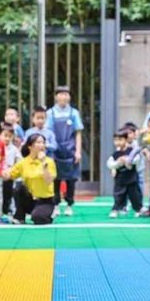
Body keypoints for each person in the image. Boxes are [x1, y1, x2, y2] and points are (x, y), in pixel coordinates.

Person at [2, 134, 57, 225]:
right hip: (30, 199)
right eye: (38, 142)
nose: (42, 145)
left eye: (43, 143)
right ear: (30, 146)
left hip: (45, 200)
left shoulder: (49, 162)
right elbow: (9, 175)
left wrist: (43, 162)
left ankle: (48, 214)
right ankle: (19, 216)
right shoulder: (24, 162)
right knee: (19, 188)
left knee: (38, 218)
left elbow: (48, 181)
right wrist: (0, 171)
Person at [46, 86, 84, 217]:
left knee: (71, 179)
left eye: (66, 94)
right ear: (56, 97)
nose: (64, 97)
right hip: (55, 150)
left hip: (70, 149)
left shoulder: (74, 112)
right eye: (61, 94)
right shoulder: (50, 113)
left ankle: (69, 204)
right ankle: (55, 204)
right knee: (55, 178)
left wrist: (78, 151)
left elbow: (78, 133)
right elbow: (48, 132)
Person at [107, 130, 145, 218]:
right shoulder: (115, 154)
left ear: (126, 139)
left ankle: (138, 209)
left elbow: (137, 159)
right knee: (118, 195)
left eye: (120, 140)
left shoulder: (132, 151)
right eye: (115, 140)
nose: (117, 142)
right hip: (120, 179)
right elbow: (109, 164)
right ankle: (116, 209)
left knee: (135, 195)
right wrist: (117, 164)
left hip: (132, 179)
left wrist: (127, 160)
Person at [0, 124, 22, 219]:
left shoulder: (14, 149)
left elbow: (19, 162)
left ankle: (8, 208)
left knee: (9, 193)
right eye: (5, 135)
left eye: (9, 136)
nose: (7, 138)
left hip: (10, 174)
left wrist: (12, 170)